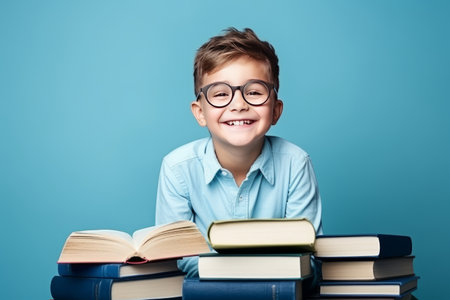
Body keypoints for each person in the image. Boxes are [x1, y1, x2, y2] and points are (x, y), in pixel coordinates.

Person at [155, 27, 322, 278]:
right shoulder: (177, 168)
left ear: (275, 110)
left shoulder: (296, 163)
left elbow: (306, 262)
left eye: (254, 92)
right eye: (221, 94)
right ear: (200, 112)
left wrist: (226, 268)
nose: (239, 104)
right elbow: (174, 259)